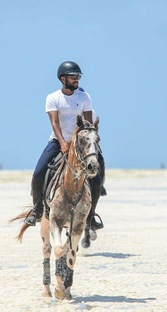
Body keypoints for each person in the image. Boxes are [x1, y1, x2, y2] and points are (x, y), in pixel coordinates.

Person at [25, 61, 104, 230]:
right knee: (38, 173)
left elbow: (88, 124)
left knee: (96, 180)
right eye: (73, 77)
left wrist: (84, 143)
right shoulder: (53, 98)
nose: (77, 80)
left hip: (79, 144)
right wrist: (62, 143)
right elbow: (55, 123)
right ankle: (36, 210)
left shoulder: (84, 97)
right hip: (57, 140)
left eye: (78, 77)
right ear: (62, 78)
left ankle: (91, 216)